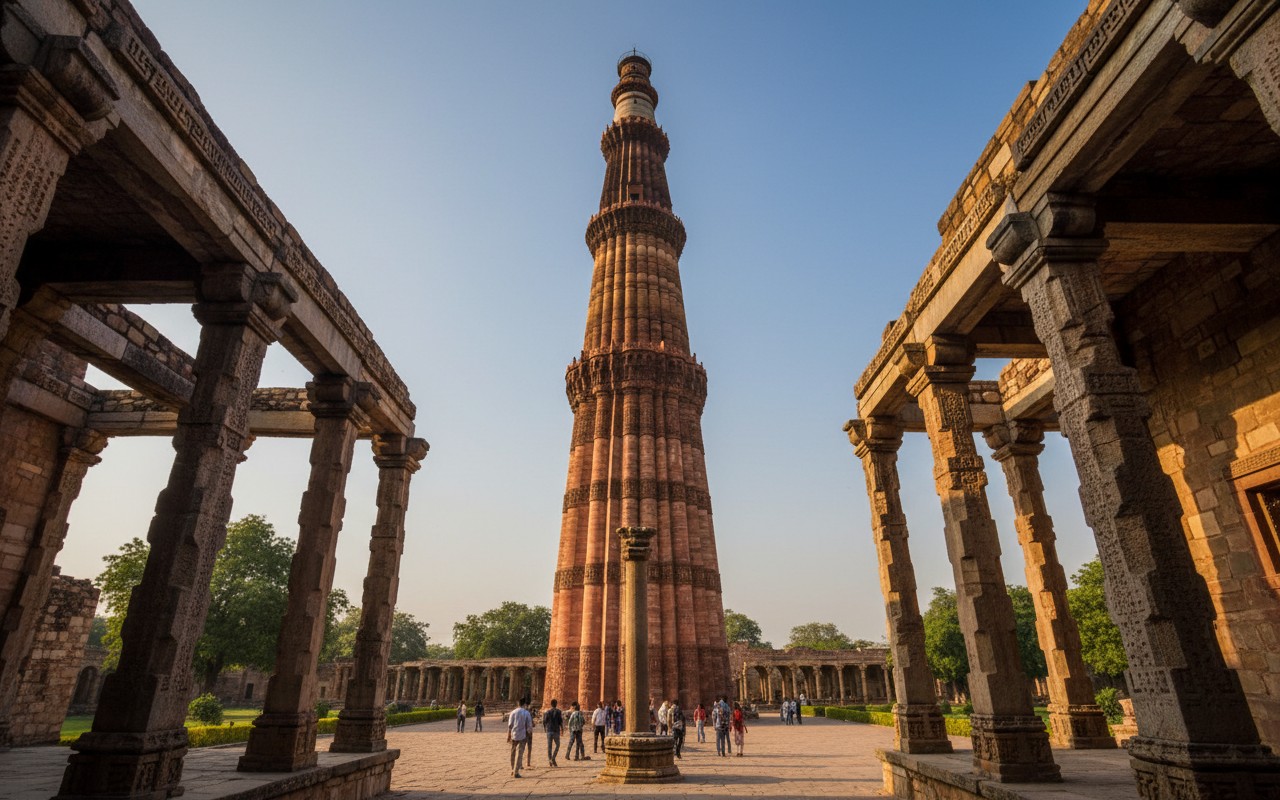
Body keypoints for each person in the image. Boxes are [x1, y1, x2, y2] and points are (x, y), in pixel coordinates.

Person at [507, 697, 533, 778]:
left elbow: (510, 725)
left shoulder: (513, 712)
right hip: (523, 735)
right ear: (524, 704)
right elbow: (529, 726)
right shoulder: (526, 713)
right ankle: (516, 771)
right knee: (520, 754)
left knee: (513, 752)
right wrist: (529, 734)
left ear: (518, 704)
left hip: (514, 734)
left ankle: (512, 769)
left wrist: (509, 735)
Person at [543, 698, 563, 767]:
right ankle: (553, 758)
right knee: (557, 745)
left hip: (549, 730)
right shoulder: (558, 712)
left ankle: (550, 760)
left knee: (549, 746)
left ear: (551, 704)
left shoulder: (547, 712)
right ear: (556, 704)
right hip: (556, 731)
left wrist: (545, 729)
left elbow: (544, 721)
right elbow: (560, 722)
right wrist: (562, 729)